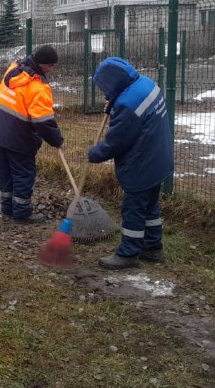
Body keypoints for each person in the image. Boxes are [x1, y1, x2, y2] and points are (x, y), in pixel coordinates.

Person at [88, 57, 173, 270]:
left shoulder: (127, 105)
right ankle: (153, 248)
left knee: (133, 209)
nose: (104, 92)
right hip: (159, 158)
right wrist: (112, 102)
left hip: (142, 163)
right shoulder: (146, 84)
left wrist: (95, 153)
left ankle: (128, 253)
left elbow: (116, 141)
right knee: (150, 205)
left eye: (105, 88)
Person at [0, 45, 64, 224]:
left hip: (1, 131)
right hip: (19, 137)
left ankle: (7, 208)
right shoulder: (38, 86)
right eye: (50, 65)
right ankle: (22, 212)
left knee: (6, 173)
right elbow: (43, 121)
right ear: (42, 64)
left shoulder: (14, 68)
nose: (51, 69)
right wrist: (56, 139)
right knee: (23, 174)